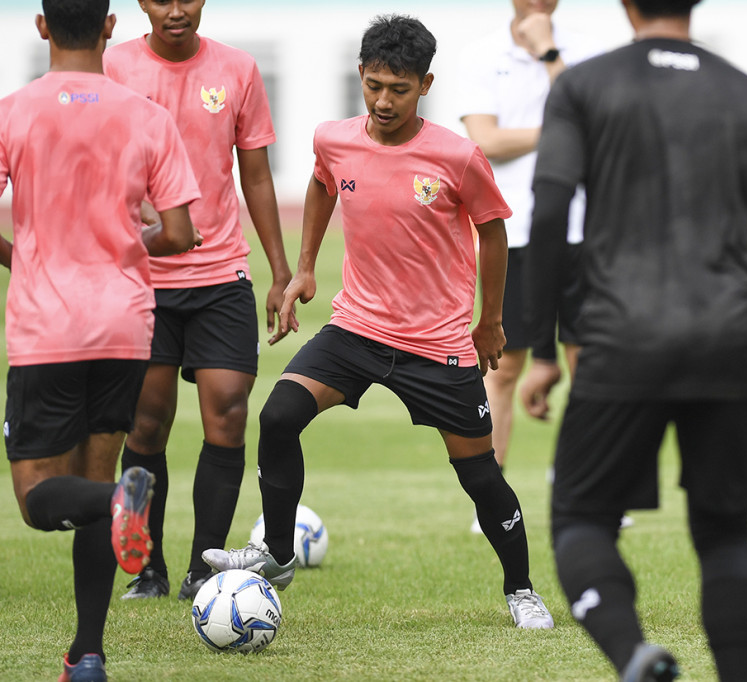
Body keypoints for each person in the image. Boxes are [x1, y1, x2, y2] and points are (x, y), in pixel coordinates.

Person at [202, 13, 555, 630]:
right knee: (278, 415)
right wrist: (305, 267)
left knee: (479, 472)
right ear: (360, 77)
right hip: (357, 328)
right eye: (373, 85)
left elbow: (493, 233)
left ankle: (521, 590)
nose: (383, 100)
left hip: (437, 341)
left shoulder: (458, 155)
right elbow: (320, 186)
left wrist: (490, 320)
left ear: (426, 85)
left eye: (399, 88)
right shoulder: (334, 139)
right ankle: (278, 554)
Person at [523, 0, 747, 678]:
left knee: (582, 520)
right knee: (724, 531)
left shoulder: (582, 87)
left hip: (623, 337)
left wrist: (541, 351)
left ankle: (634, 655)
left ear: (627, 4)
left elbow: (549, 216)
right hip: (734, 338)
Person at [0, 0, 202, 678]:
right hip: (124, 324)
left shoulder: (14, 111)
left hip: (47, 324)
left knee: (38, 499)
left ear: (42, 26)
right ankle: (87, 653)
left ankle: (120, 500)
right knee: (96, 485)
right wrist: (126, 243)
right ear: (112, 26)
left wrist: (25, 254)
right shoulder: (148, 116)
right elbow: (178, 235)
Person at [103, 0, 293, 601]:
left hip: (220, 274)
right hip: (145, 277)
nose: (176, 9)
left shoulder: (237, 70)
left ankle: (201, 571)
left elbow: (255, 175)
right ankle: (149, 570)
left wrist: (281, 269)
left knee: (229, 413)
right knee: (147, 423)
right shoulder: (114, 68)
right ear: (141, 4)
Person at [456, 0, 603, 534]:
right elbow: (486, 142)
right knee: (504, 368)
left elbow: (596, 125)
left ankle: (589, 493)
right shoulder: (480, 56)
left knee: (589, 362)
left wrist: (549, 52)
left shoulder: (585, 49)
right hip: (513, 230)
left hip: (585, 229)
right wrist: (563, 132)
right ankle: (492, 500)